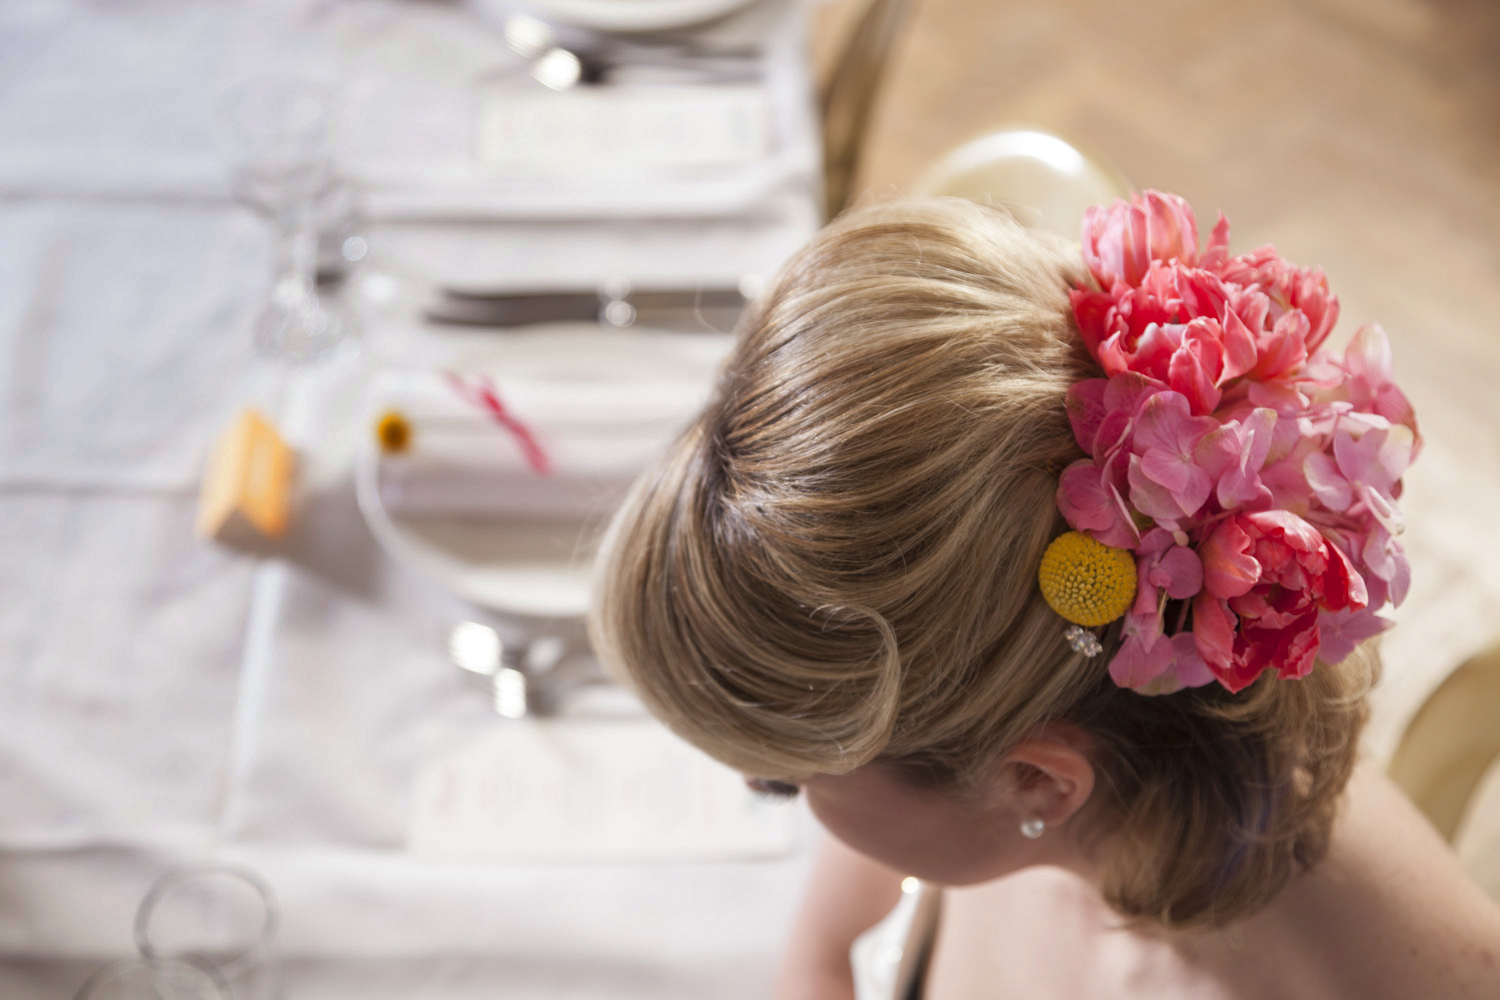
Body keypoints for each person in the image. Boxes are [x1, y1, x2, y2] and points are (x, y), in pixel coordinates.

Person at [587, 195, 1500, 998]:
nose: (769, 792)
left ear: (1035, 780)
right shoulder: (982, 664)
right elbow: (822, 952)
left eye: (780, 780)